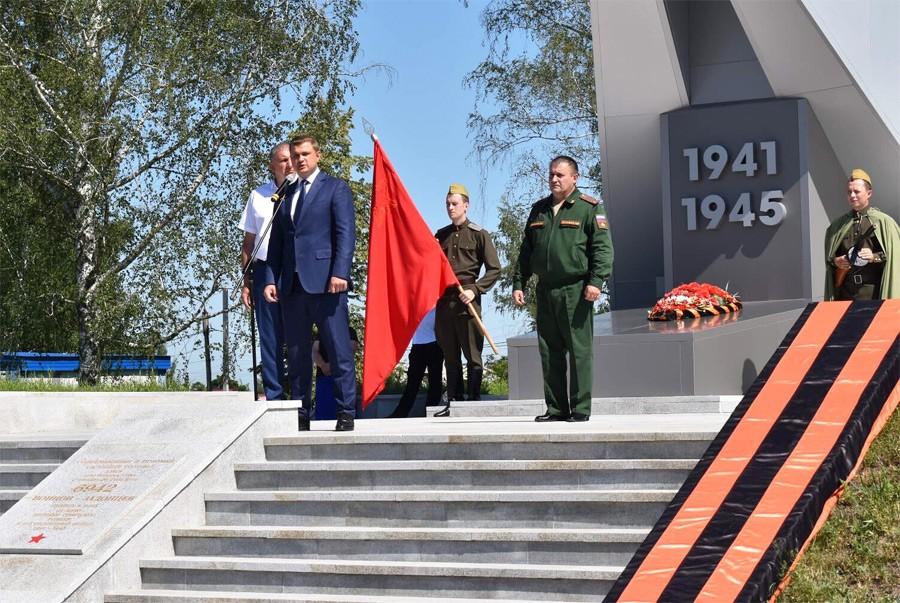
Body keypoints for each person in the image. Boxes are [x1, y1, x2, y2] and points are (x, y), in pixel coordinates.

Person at [263, 135, 357, 432]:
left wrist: (340, 272)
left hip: (327, 282)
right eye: (295, 155)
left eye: (305, 154)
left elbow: (345, 234)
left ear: (317, 155)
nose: (299, 159)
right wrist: (269, 279)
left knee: (338, 348)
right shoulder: (285, 193)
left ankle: (346, 411)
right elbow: (276, 243)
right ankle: (300, 412)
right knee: (297, 353)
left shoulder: (335, 189)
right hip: (292, 285)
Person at [512, 156, 613, 423]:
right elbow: (526, 251)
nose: (554, 179)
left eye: (560, 175)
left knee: (579, 350)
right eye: (551, 174)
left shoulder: (589, 208)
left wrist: (596, 281)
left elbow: (602, 249)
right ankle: (556, 409)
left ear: (574, 178)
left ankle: (580, 409)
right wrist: (519, 283)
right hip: (546, 290)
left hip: (576, 289)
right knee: (549, 351)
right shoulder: (539, 210)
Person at [433, 183, 501, 417]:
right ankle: (453, 401)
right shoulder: (440, 236)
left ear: (466, 205)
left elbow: (494, 269)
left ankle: (473, 400)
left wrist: (475, 289)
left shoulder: (479, 234)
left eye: (455, 204)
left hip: (467, 302)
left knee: (473, 355)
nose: (450, 208)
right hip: (444, 303)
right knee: (450, 356)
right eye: (448, 204)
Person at [238, 142, 293, 401]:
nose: (289, 164)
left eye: (292, 158)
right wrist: (246, 281)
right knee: (269, 336)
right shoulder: (258, 196)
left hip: (293, 269)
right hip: (263, 270)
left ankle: (301, 395)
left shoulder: (303, 193)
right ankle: (274, 394)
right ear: (272, 164)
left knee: (297, 335)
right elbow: (249, 243)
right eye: (282, 160)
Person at [824, 168, 899, 300]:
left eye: (857, 191)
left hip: (873, 293)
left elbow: (895, 257)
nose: (852, 195)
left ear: (869, 193)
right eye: (849, 192)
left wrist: (874, 257)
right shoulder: (838, 225)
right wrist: (837, 261)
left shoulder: (884, 222)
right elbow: (830, 258)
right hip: (845, 293)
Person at [388, 308, 443, 419]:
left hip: (435, 344)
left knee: (435, 380)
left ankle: (431, 410)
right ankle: (401, 412)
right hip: (417, 345)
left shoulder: (437, 303)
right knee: (412, 382)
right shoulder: (415, 303)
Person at [312, 326, 359, 420]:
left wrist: (332, 366)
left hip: (343, 378)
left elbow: (351, 350)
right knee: (323, 415)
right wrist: (323, 365)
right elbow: (314, 351)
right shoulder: (321, 332)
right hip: (323, 378)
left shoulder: (350, 331)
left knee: (344, 413)